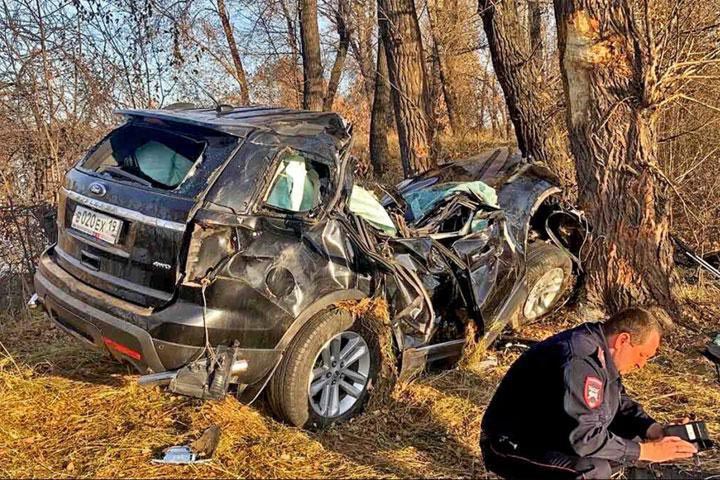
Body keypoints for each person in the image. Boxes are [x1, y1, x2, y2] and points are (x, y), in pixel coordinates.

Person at [480, 307, 697, 479]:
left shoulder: (600, 349)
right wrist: (649, 452)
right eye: (642, 355)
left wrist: (653, 430)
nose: (642, 365)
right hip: (512, 443)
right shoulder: (581, 360)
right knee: (594, 470)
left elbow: (618, 401)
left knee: (632, 438)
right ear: (623, 340)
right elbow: (585, 439)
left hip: (553, 431)